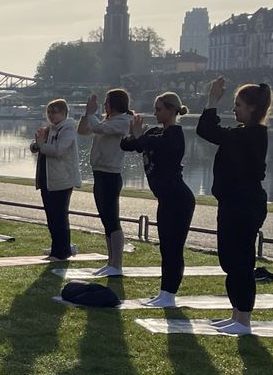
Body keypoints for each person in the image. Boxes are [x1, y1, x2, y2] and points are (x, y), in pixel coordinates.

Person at [196, 77, 272, 333]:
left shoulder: (252, 135)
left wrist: (212, 101)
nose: (235, 109)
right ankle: (236, 314)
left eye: (238, 104)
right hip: (232, 202)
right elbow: (212, 132)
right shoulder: (242, 134)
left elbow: (208, 130)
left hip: (244, 203)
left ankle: (244, 320)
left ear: (252, 108)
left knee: (241, 262)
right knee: (230, 261)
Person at [121, 93, 195, 307]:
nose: (155, 113)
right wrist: (132, 132)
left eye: (159, 109)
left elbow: (152, 143)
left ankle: (169, 295)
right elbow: (127, 146)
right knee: (165, 247)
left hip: (179, 199)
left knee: (174, 248)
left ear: (172, 111)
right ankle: (164, 293)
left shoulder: (174, 135)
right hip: (165, 199)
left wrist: (138, 135)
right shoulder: (154, 133)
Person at [78, 88, 134, 276]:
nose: (104, 106)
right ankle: (110, 261)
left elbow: (99, 128)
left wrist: (92, 113)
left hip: (111, 175)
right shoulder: (107, 120)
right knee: (105, 220)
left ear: (114, 104)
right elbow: (84, 130)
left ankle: (117, 264)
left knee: (112, 219)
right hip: (99, 173)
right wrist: (88, 114)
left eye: (106, 102)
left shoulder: (124, 122)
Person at [31, 98, 79, 259]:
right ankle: (56, 246)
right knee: (51, 216)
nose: (51, 115)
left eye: (55, 112)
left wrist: (41, 145)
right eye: (49, 112)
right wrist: (37, 144)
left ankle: (62, 251)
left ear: (64, 113)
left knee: (59, 216)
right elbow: (34, 146)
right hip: (47, 179)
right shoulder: (49, 129)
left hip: (62, 179)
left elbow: (59, 151)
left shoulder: (68, 129)